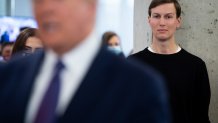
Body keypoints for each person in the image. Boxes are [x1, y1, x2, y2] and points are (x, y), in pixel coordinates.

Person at [0, 0, 171, 123]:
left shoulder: (139, 86)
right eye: (40, 1)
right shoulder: (10, 76)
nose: (47, 8)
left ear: (91, 6)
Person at [128, 0, 211, 123]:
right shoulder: (132, 64)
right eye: (156, 16)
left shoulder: (196, 66)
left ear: (178, 21)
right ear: (149, 20)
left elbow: (201, 117)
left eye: (168, 17)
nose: (162, 22)